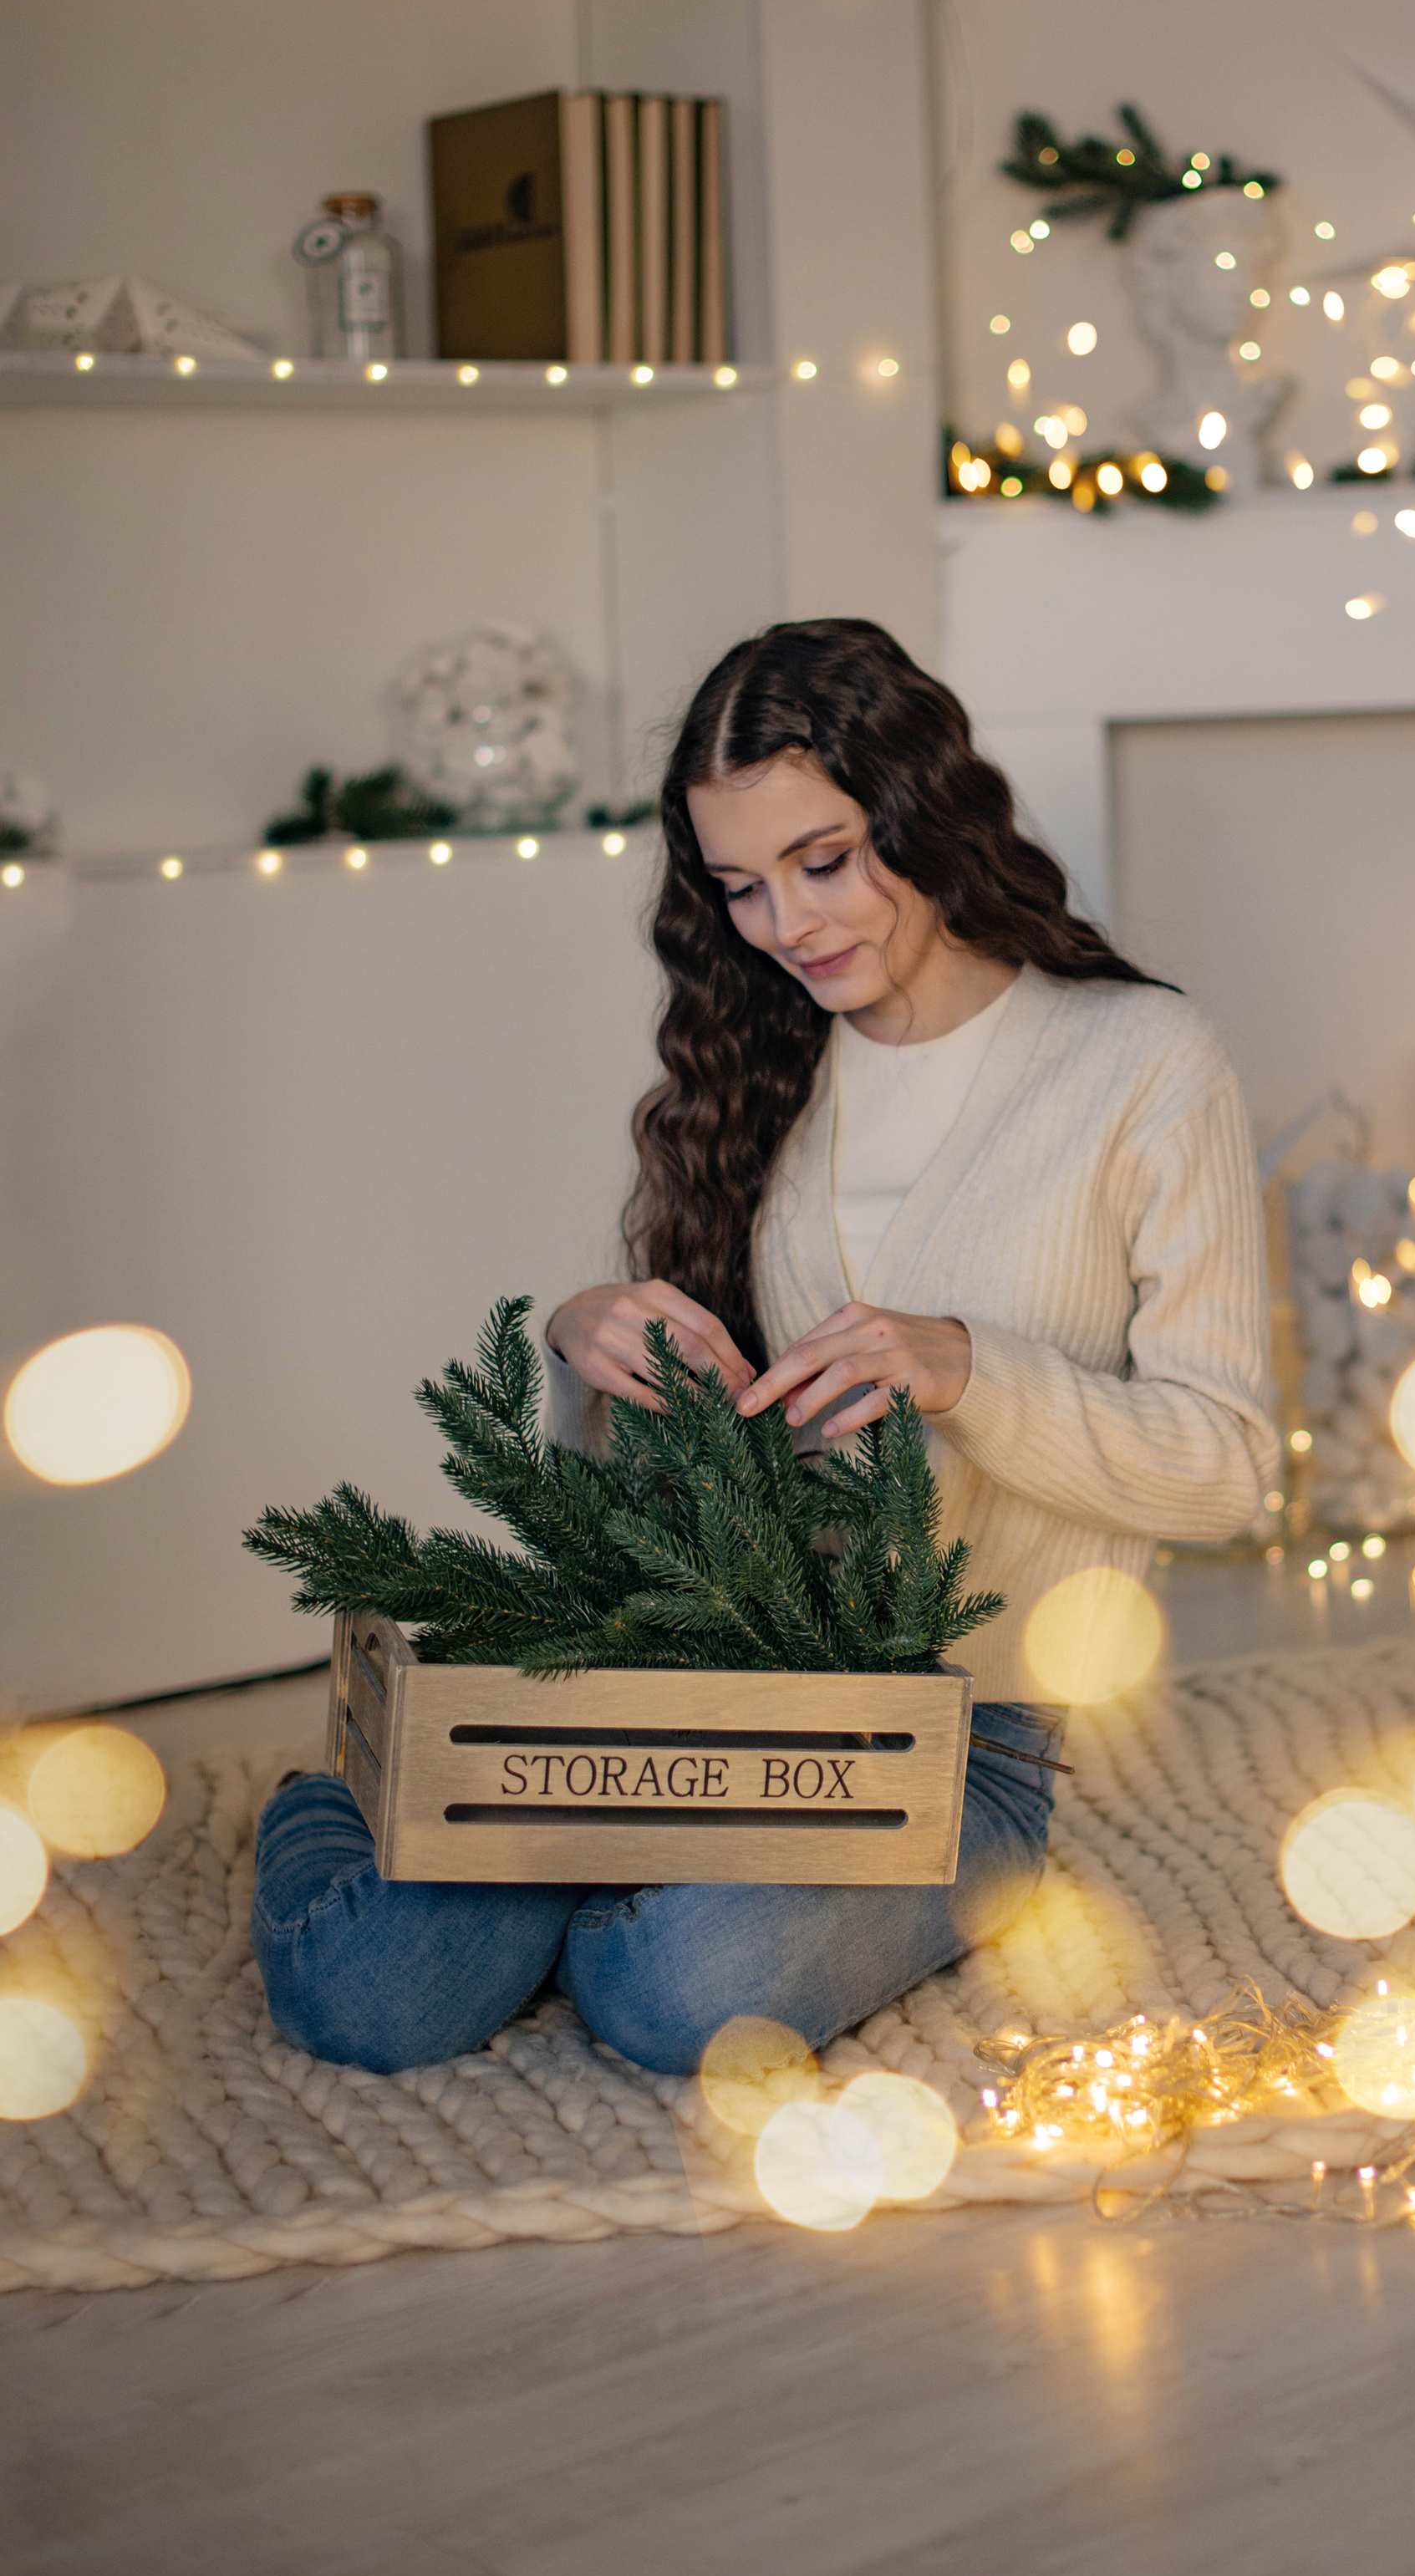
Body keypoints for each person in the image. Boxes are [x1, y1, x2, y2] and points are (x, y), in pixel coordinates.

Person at [252, 618, 1276, 2078]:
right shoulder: (767, 1054)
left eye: (825, 859)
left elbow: (1228, 1468)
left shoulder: (1145, 1066)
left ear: (924, 815)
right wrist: (587, 1341)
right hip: (705, 1681)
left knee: (684, 1991)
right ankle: (334, 1795)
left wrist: (971, 1368)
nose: (790, 925)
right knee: (369, 1995)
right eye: (740, 885)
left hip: (968, 1737)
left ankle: (583, 1862)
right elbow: (677, 1481)